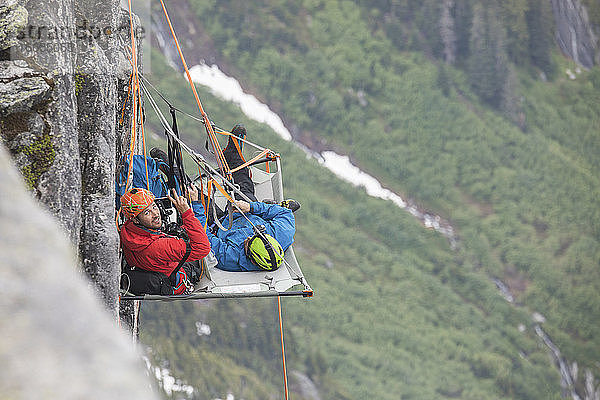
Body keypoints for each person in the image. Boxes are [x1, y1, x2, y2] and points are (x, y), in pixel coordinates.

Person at [190, 124, 299, 272]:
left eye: (248, 243)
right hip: (247, 212)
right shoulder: (282, 233)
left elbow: (206, 238)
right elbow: (284, 213)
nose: (248, 238)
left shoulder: (231, 258)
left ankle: (172, 173)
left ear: (250, 257)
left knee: (190, 194)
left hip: (219, 224)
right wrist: (251, 207)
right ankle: (232, 155)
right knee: (244, 187)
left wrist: (196, 205)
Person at [119, 185, 211, 295]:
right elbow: (203, 248)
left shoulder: (127, 229)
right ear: (135, 219)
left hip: (150, 269)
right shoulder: (159, 246)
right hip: (173, 282)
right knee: (199, 259)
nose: (155, 214)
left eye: (154, 206)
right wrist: (186, 212)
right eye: (147, 213)